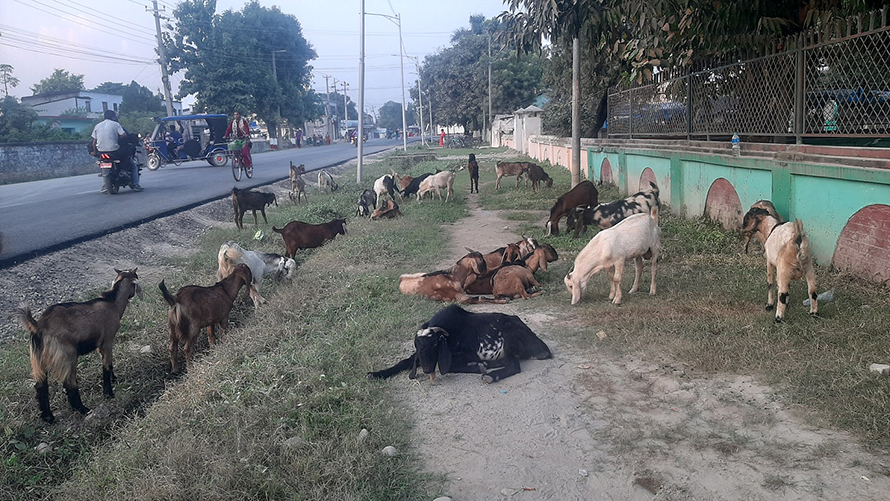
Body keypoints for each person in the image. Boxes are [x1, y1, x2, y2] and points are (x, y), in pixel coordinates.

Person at [91, 110, 142, 192]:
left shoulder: (97, 126)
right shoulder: (116, 124)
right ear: (113, 117)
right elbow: (124, 135)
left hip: (101, 151)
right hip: (114, 151)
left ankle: (105, 185)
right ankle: (133, 181)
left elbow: (94, 142)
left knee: (101, 161)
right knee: (129, 159)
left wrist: (95, 151)